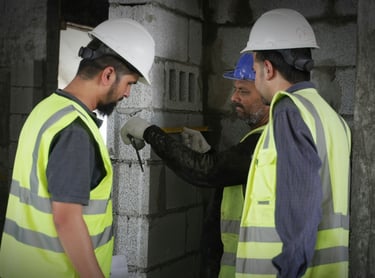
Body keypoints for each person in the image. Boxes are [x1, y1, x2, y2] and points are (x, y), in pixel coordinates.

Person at [0, 18, 155, 278]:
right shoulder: (75, 130)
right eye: (129, 83)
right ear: (108, 75)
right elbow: (67, 219)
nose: (127, 94)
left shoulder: (47, 109)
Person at [120, 53, 269, 277]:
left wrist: (150, 133)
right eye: (235, 89)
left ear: (269, 96)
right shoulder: (260, 137)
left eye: (243, 91)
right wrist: (207, 153)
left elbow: (207, 171)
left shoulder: (265, 140)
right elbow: (230, 174)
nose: (234, 98)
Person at [236, 8, 351, 277]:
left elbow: (301, 207)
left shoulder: (289, 112)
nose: (255, 78)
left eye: (254, 71)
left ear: (267, 68)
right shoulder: (332, 119)